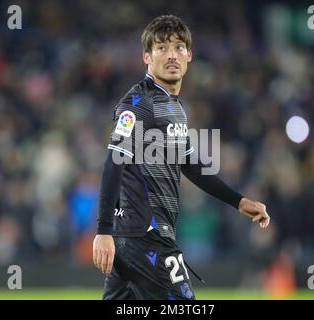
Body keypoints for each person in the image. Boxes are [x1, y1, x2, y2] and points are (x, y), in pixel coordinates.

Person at [93, 14, 270, 300]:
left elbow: (190, 165)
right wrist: (103, 230)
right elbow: (115, 160)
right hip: (145, 237)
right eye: (161, 48)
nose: (171, 55)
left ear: (189, 55)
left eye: (178, 47)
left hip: (133, 239)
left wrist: (238, 201)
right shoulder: (138, 103)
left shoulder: (174, 108)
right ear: (147, 58)